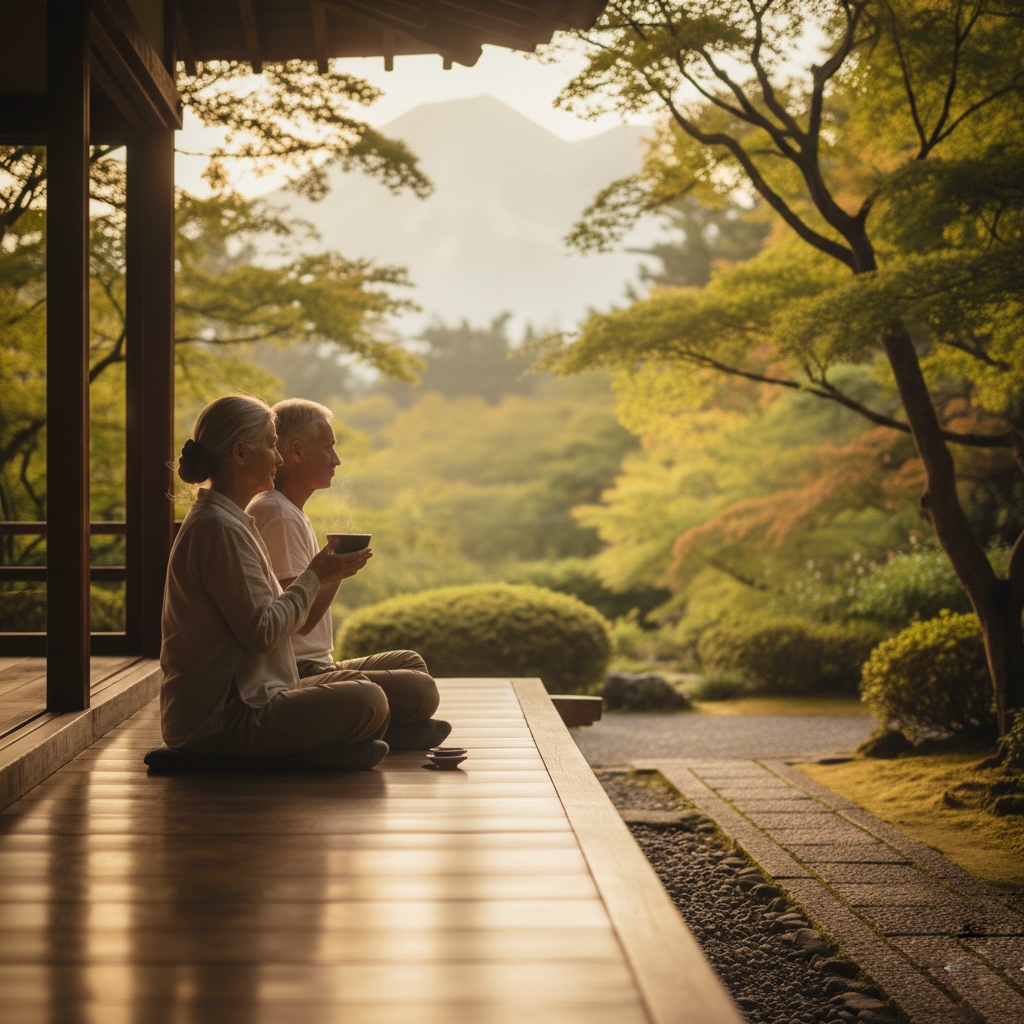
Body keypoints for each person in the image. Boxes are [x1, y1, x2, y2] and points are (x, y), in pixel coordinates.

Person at [160, 394, 390, 770]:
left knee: (371, 696)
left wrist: (322, 575)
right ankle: (263, 758)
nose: (279, 458)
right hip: (222, 718)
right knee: (369, 700)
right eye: (270, 445)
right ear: (239, 453)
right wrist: (316, 575)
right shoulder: (218, 528)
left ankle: (315, 752)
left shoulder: (229, 520)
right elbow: (263, 632)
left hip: (250, 698)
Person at [247, 398, 451, 751]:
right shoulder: (277, 513)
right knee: (419, 690)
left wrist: (336, 568)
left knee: (410, 664)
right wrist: (336, 570)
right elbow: (300, 620)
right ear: (295, 451)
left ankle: (372, 730)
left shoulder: (287, 510)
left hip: (319, 664)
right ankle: (374, 731)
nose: (336, 460)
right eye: (328, 449)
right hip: (298, 670)